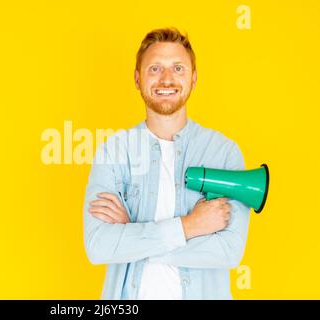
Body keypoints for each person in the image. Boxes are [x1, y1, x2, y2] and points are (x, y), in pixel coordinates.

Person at [83, 27, 250, 299]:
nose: (167, 79)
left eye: (178, 68)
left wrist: (132, 235)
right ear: (137, 79)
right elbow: (99, 246)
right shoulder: (112, 152)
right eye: (155, 69)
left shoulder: (224, 153)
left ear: (194, 78)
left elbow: (228, 252)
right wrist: (190, 226)